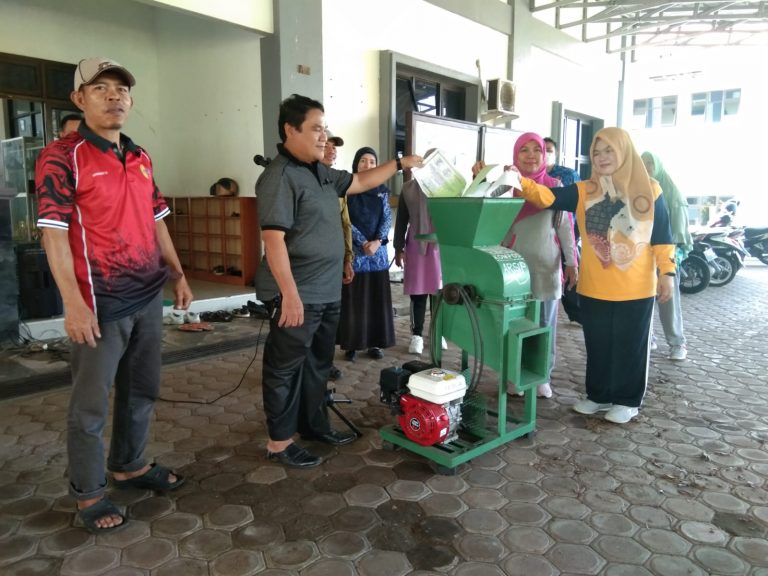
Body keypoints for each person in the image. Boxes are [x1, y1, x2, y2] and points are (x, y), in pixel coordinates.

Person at [35, 57, 192, 533]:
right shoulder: (62, 156)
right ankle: (88, 492)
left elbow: (157, 220)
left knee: (141, 390)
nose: (114, 96)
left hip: (146, 296)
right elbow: (53, 234)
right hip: (99, 304)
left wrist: (178, 274)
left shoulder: (140, 157)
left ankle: (129, 465)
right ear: (79, 99)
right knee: (90, 405)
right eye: (100, 88)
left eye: (121, 89)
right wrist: (73, 303)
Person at [256, 94, 422, 468]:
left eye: (325, 128)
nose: (323, 136)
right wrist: (289, 295)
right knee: (284, 368)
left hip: (326, 290)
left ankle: (313, 425)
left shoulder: (320, 172)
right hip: (297, 293)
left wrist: (399, 164)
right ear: (290, 130)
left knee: (317, 363)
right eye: (316, 128)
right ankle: (279, 442)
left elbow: (361, 181)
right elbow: (273, 240)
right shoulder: (279, 177)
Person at [512, 127, 675, 424]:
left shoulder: (650, 189)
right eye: (596, 153)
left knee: (630, 345)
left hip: (636, 288)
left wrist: (667, 272)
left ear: (624, 151)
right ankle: (598, 396)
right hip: (595, 286)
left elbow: (662, 236)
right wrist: (516, 179)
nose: (601, 157)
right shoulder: (585, 190)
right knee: (598, 344)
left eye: (609, 150)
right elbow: (546, 197)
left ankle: (627, 400)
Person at [473, 133, 578, 399]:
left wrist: (571, 261)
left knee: (544, 325)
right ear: (515, 155)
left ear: (544, 155)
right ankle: (514, 375)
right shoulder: (506, 185)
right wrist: (481, 180)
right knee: (513, 324)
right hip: (512, 270)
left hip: (546, 267)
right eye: (524, 150)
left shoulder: (555, 186)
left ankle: (542, 375)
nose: (531, 155)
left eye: (536, 150)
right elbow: (485, 210)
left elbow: (566, 227)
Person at [337, 147, 396, 361]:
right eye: (363, 160)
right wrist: (362, 242)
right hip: (355, 253)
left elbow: (387, 218)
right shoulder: (347, 189)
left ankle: (375, 343)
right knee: (355, 298)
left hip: (377, 254)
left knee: (375, 298)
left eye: (372, 161)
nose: (367, 165)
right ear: (356, 164)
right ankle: (352, 344)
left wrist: (378, 241)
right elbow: (345, 220)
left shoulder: (382, 191)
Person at [641, 151, 692, 361]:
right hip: (643, 257)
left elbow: (678, 231)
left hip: (666, 257)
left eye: (650, 164)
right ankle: (649, 338)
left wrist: (669, 262)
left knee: (668, 301)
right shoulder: (639, 188)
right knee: (645, 301)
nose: (647, 168)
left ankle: (677, 343)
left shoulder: (671, 192)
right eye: (643, 163)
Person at [393, 152, 442, 356]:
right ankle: (417, 335)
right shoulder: (408, 189)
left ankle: (439, 332)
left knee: (439, 293)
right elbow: (401, 220)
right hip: (417, 245)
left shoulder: (448, 189)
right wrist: (398, 248)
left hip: (441, 246)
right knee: (418, 292)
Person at [322, 130, 353, 381]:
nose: (332, 151)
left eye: (335, 147)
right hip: (309, 264)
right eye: (327, 145)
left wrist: (348, 259)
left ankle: (325, 362)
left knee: (330, 318)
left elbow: (345, 224)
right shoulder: (302, 180)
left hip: (334, 263)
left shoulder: (338, 184)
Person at [544, 137, 582, 324]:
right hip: (544, 233)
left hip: (567, 227)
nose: (546, 153)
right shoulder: (528, 176)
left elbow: (579, 203)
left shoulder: (568, 175)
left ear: (556, 153)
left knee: (569, 268)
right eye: (543, 149)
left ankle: (577, 313)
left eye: (549, 150)